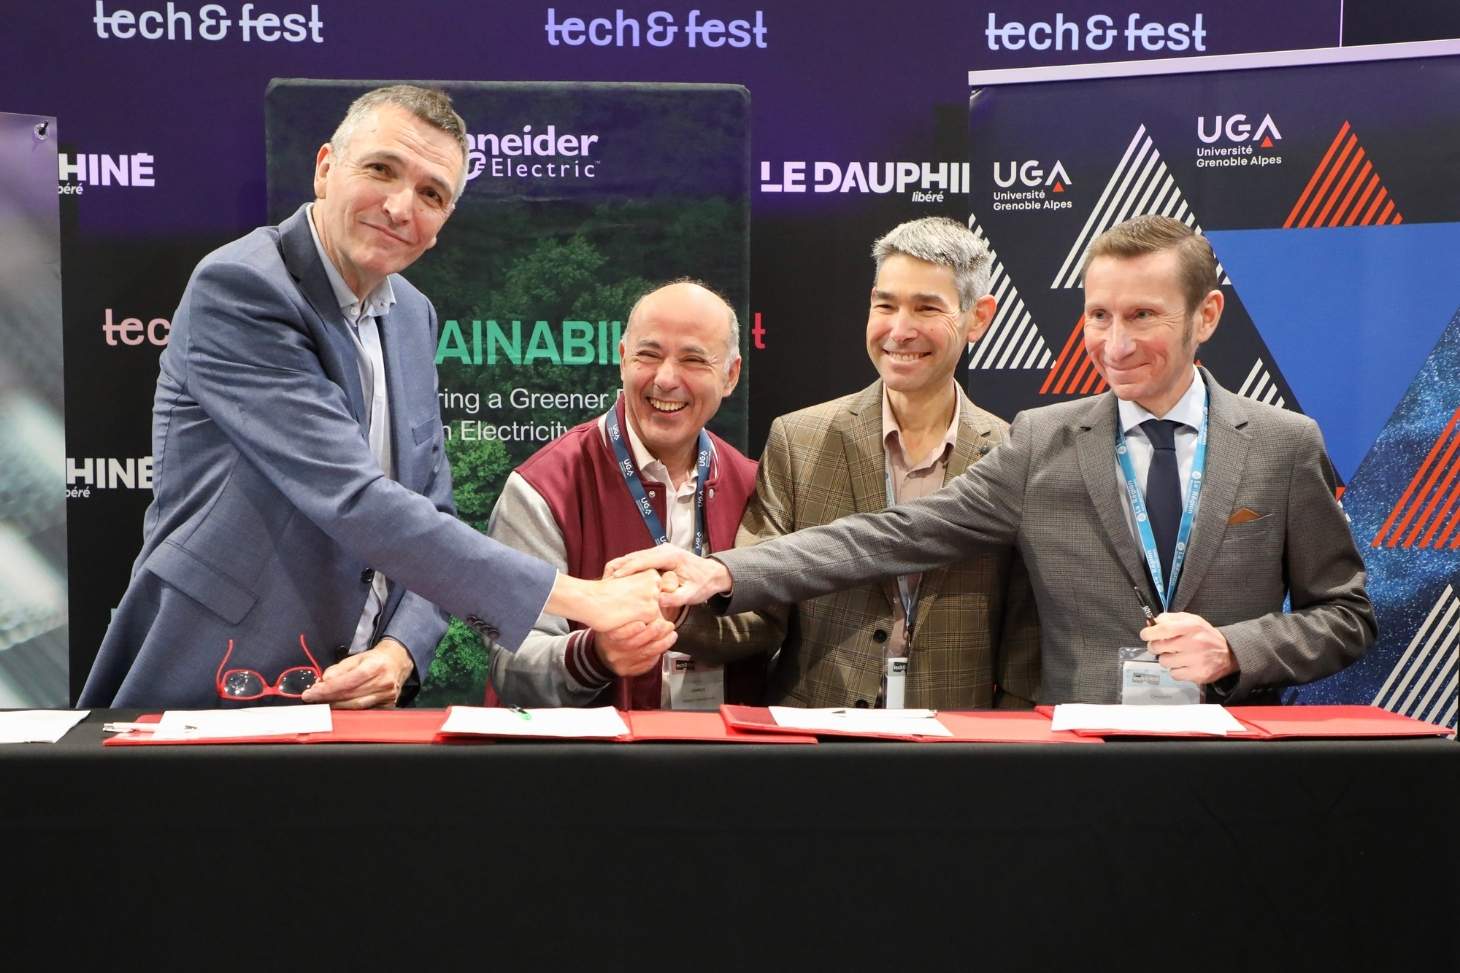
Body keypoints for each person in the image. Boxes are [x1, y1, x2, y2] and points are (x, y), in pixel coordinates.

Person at [610, 215, 1377, 704]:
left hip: (1233, 777)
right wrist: (725, 573)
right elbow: (886, 535)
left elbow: (1345, 616)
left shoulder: (1283, 444)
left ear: (1205, 315)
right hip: (1081, 769)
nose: (1114, 343)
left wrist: (1235, 647)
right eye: (1099, 314)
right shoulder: (1043, 441)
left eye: (1143, 315)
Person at [80, 85, 666, 710]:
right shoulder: (242, 288)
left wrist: (401, 651)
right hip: (214, 675)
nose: (399, 206)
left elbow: (431, 509)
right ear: (326, 168)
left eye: (432, 195)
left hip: (362, 702)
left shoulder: (413, 315)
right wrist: (579, 598)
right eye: (381, 169)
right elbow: (353, 499)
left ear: (441, 228)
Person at [729, 217, 1039, 709]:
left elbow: (1027, 634)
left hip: (959, 746)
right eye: (885, 304)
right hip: (818, 741)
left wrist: (1005, 743)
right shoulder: (799, 438)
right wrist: (676, 614)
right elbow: (760, 604)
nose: (899, 330)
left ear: (978, 318)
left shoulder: (1015, 452)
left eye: (926, 307)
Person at [485, 280, 777, 709]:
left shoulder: (754, 485)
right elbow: (511, 664)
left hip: (725, 761)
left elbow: (776, 630)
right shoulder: (545, 487)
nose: (665, 379)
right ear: (622, 359)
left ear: (730, 375)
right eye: (648, 355)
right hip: (590, 765)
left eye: (693, 359)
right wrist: (596, 654)